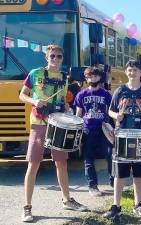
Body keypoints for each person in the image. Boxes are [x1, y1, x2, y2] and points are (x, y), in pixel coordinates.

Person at [19, 45, 87, 222]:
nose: (55, 59)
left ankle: (67, 199)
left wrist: (65, 107)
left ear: (62, 59)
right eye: (52, 56)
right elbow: (22, 94)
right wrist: (34, 100)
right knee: (33, 164)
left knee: (61, 163)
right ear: (46, 57)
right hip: (39, 123)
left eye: (58, 57)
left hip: (58, 125)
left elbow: (63, 100)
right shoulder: (35, 73)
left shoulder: (64, 78)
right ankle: (27, 207)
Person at [103, 60, 141, 218]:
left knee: (138, 173)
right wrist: (117, 116)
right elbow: (111, 112)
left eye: (135, 70)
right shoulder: (120, 90)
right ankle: (116, 205)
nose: (132, 73)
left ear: (140, 72)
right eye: (129, 70)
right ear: (126, 72)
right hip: (122, 135)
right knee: (119, 174)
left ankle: (138, 204)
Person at [74, 67, 113, 196]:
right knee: (89, 159)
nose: (92, 79)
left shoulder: (106, 94)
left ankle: (113, 180)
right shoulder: (81, 94)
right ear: (86, 79)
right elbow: (78, 114)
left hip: (103, 130)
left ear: (99, 78)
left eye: (95, 76)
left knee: (110, 155)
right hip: (87, 130)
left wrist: (113, 127)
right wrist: (78, 132)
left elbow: (110, 112)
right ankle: (93, 186)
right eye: (89, 77)